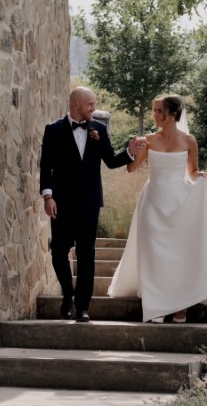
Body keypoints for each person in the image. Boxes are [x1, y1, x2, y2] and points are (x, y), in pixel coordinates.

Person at [108, 94, 207, 323]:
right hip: (153, 201)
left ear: (173, 114)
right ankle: (157, 305)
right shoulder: (148, 140)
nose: (154, 115)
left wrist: (199, 176)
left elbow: (192, 171)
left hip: (179, 203)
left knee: (179, 255)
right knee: (154, 254)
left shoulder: (189, 141)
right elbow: (132, 169)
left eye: (159, 111)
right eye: (154, 110)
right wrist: (133, 150)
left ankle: (181, 308)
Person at [40, 86, 144, 322]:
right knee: (59, 251)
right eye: (90, 104)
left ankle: (82, 308)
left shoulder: (99, 129)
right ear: (76, 104)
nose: (93, 108)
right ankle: (68, 294)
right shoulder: (54, 130)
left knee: (86, 254)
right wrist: (48, 196)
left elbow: (111, 161)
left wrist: (129, 152)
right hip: (61, 203)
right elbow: (47, 165)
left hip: (90, 202)